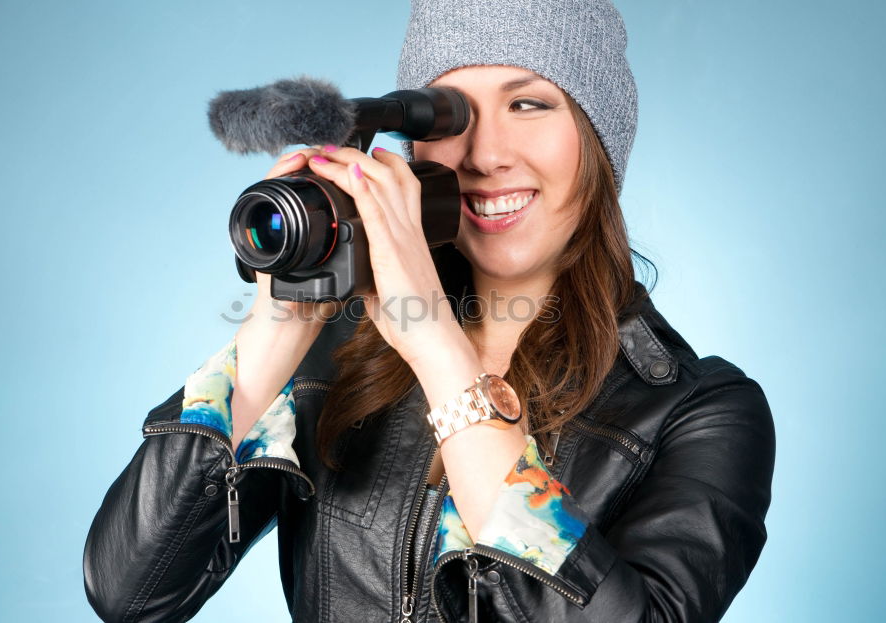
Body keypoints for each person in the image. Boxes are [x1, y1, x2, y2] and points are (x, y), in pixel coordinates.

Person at [83, 0, 776, 621]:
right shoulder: (339, 353)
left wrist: (440, 350)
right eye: (452, 113)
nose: (485, 155)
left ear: (597, 138)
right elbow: (129, 591)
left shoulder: (699, 410)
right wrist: (281, 322)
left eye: (528, 104)